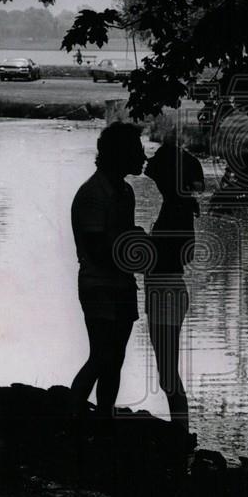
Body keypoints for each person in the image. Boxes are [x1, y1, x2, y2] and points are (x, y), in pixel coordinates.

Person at [69, 121, 147, 430]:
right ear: (121, 154)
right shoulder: (92, 193)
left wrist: (135, 244)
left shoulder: (124, 191)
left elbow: (120, 241)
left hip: (122, 283)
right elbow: (98, 250)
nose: (143, 156)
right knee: (101, 356)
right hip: (99, 285)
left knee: (115, 359)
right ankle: (71, 417)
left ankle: (102, 421)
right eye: (137, 150)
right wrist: (138, 246)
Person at [143, 138, 205, 434]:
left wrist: (144, 245)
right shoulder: (176, 205)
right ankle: (180, 431)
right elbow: (187, 252)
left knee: (168, 374)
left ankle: (181, 433)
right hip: (167, 290)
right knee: (167, 373)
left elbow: (177, 254)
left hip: (165, 291)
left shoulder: (175, 207)